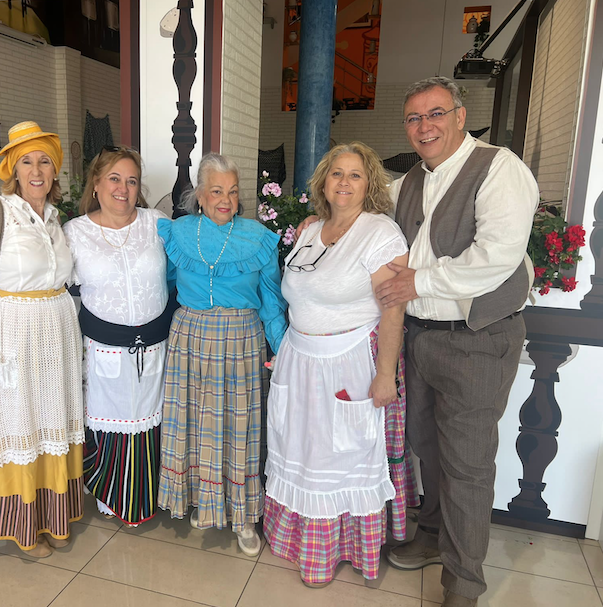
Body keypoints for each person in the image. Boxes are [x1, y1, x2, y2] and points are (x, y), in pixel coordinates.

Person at [377, 77, 538, 607]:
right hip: (420, 338)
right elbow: (368, 211)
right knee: (426, 447)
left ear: (461, 116)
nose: (425, 126)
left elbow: (496, 255)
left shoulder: (498, 168)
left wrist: (419, 281)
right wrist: (323, 217)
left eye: (436, 114)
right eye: (414, 118)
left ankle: (464, 585)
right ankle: (432, 534)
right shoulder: (410, 181)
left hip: (477, 340)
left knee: (467, 464)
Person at [263, 142, 415, 588]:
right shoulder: (311, 229)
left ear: (369, 184)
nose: (344, 182)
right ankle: (297, 540)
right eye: (336, 173)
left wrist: (384, 375)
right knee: (300, 451)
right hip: (299, 360)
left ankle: (334, 552)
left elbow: (393, 309)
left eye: (355, 175)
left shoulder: (380, 233)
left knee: (341, 457)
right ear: (323, 182)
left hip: (348, 362)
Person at [0, 121, 85, 558]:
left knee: (51, 421)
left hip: (56, 336)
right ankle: (23, 528)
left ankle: (54, 518)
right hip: (13, 336)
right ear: (13, 168)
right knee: (17, 424)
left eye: (44, 161)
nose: (36, 170)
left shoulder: (55, 217)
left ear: (54, 170)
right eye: (26, 161)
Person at [156, 152, 287, 557]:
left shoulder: (258, 237)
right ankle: (202, 500)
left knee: (239, 426)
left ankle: (243, 516)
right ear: (199, 195)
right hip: (189, 338)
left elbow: (271, 301)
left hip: (241, 339)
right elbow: (164, 287)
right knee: (194, 425)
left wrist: (284, 351)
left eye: (232, 191)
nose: (225, 200)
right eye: (216, 191)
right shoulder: (178, 232)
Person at [63, 146, 173, 526]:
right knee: (110, 423)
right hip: (103, 351)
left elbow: (195, 247)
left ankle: (150, 497)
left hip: (155, 349)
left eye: (131, 181)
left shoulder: (156, 223)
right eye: (114, 178)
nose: (123, 189)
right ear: (96, 183)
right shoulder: (75, 233)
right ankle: (110, 494)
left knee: (151, 420)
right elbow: (51, 282)